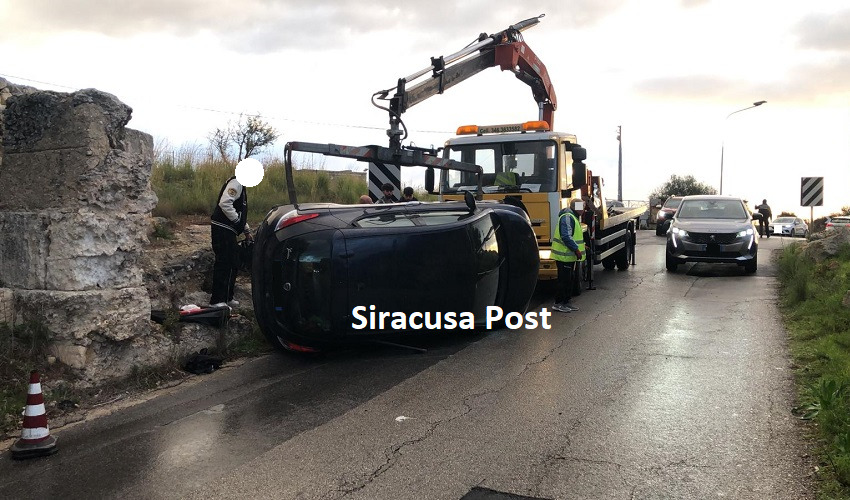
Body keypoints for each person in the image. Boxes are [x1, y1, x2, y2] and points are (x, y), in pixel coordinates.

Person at [210, 174, 251, 308]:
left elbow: (238, 210)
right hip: (222, 228)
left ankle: (227, 297)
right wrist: (237, 222)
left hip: (229, 229)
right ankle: (217, 300)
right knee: (224, 262)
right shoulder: (237, 183)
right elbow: (225, 203)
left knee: (233, 262)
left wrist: (245, 229)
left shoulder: (241, 185)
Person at [551, 198, 586, 313]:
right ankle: (558, 303)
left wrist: (581, 247)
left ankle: (566, 302)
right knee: (564, 280)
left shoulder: (573, 216)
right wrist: (576, 249)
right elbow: (566, 236)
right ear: (576, 207)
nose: (583, 209)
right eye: (582, 206)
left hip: (569, 256)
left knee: (569, 279)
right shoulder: (568, 217)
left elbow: (573, 236)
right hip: (564, 255)